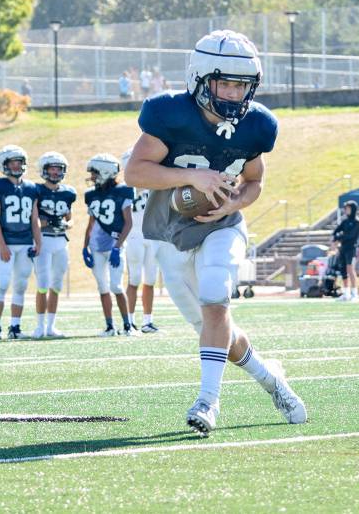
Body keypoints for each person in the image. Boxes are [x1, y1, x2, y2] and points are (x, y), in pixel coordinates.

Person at [125, 28, 306, 437]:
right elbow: (134, 171)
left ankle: (208, 401)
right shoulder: (169, 115)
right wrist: (194, 177)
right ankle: (271, 379)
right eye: (226, 83)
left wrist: (234, 202)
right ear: (201, 78)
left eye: (243, 85)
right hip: (170, 233)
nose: (234, 94)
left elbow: (254, 181)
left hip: (223, 226)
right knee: (214, 326)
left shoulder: (257, 124)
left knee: (215, 296)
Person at [0, 145, 41, 341]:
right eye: (13, 163)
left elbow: (34, 219)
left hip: (26, 242)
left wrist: (38, 242)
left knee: (20, 286)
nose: (17, 166)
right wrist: (1, 244)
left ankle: (15, 327)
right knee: (2, 284)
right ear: (4, 164)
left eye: (20, 162)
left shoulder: (32, 188)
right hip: (7, 243)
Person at [82, 153, 136, 336]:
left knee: (116, 286)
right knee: (102, 288)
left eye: (95, 173)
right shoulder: (91, 195)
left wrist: (117, 246)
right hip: (96, 246)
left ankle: (128, 325)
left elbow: (128, 223)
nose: (92, 177)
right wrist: (84, 246)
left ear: (106, 172)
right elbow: (90, 224)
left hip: (114, 245)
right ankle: (110, 326)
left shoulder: (123, 191)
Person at [33, 151, 75, 339]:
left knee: (56, 285)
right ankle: (39, 326)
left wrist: (66, 224)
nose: (56, 172)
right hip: (44, 240)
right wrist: (47, 222)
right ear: (44, 170)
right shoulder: (36, 190)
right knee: (42, 284)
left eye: (59, 169)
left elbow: (70, 219)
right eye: (52, 168)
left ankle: (51, 326)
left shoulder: (68, 192)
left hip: (61, 242)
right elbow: (33, 217)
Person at [121, 149, 162, 333]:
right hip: (134, 236)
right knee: (134, 278)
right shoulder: (124, 189)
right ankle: (129, 320)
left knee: (151, 279)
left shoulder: (154, 185)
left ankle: (147, 320)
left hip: (152, 236)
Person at [332, 201, 359, 300]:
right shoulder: (345, 221)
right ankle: (346, 293)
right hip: (343, 248)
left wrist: (339, 237)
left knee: (350, 269)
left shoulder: (356, 222)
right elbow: (336, 231)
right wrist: (336, 238)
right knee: (343, 270)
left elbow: (351, 235)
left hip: (351, 248)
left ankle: (354, 293)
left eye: (348, 208)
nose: (346, 210)